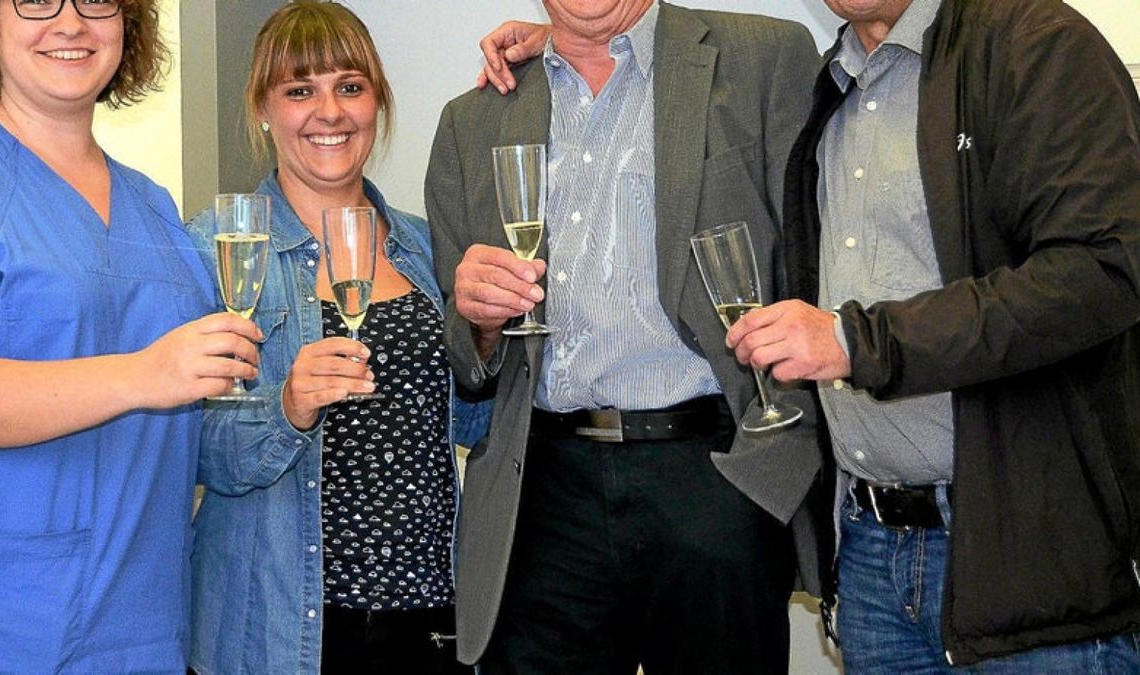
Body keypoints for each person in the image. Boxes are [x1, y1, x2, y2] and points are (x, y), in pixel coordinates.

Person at [727, 0, 1140, 670]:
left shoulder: (1036, 42)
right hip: (867, 557)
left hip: (1029, 570)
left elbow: (1101, 270)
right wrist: (573, 34)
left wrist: (860, 342)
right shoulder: (830, 84)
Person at [426, 1, 828, 672]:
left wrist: (773, 472)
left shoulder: (765, 57)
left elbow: (820, 254)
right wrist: (479, 320)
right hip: (546, 497)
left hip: (714, 475)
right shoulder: (474, 119)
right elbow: (470, 362)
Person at [0, 0, 261, 671]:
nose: (69, 22)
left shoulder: (155, 205)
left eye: (97, 0)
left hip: (146, 622)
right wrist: (142, 374)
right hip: (0, 625)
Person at [187, 3, 491, 673]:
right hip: (280, 628)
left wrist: (489, 339)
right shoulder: (215, 247)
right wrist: (287, 407)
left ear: (376, 102)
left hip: (431, 613)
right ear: (264, 108)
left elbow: (470, 423)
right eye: (300, 90)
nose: (329, 111)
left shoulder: (424, 245)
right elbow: (194, 449)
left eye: (349, 86)